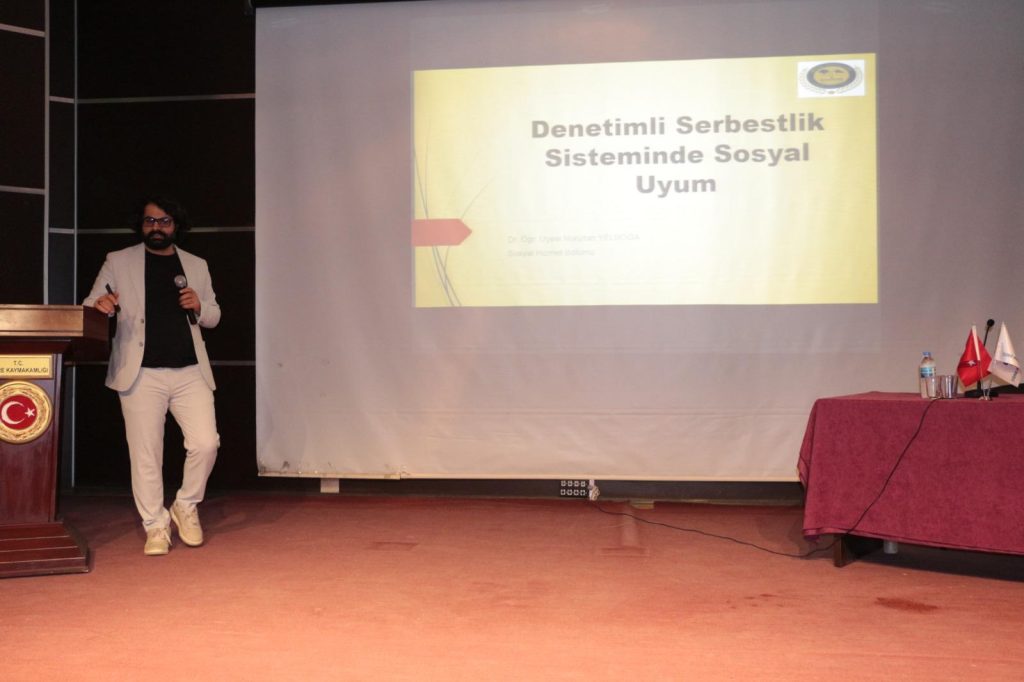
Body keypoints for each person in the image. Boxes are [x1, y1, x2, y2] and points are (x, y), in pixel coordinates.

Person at [84, 196, 221, 556]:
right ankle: (155, 525)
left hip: (190, 370)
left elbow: (214, 315)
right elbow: (91, 305)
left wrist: (200, 306)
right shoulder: (118, 261)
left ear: (176, 226)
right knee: (146, 454)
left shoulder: (197, 265)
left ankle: (186, 505)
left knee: (206, 443)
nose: (156, 228)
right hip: (140, 372)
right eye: (150, 221)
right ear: (141, 225)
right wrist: (101, 306)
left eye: (164, 222)